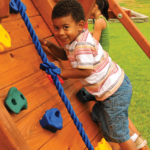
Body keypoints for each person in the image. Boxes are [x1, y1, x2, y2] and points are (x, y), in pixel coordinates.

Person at [39, 0, 145, 149]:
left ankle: (131, 140)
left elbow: (86, 71)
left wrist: (63, 73)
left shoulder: (82, 44)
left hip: (115, 92)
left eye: (65, 27)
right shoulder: (74, 40)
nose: (60, 32)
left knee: (118, 133)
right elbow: (65, 55)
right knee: (106, 123)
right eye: (56, 27)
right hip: (112, 90)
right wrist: (50, 45)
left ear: (80, 25)